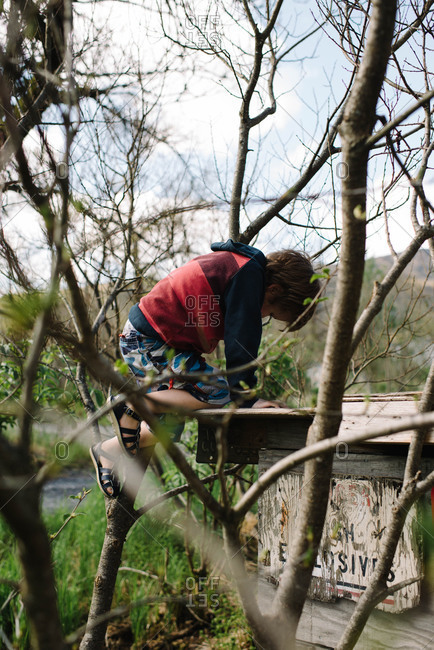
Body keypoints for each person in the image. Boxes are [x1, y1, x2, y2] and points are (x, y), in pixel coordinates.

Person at [90, 239, 320, 497]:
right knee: (219, 394)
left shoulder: (243, 269)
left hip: (155, 341)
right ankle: (131, 404)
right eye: (271, 314)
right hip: (149, 340)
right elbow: (241, 343)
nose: (263, 317)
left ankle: (107, 451)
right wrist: (247, 399)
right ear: (274, 289)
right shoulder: (249, 278)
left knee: (167, 427)